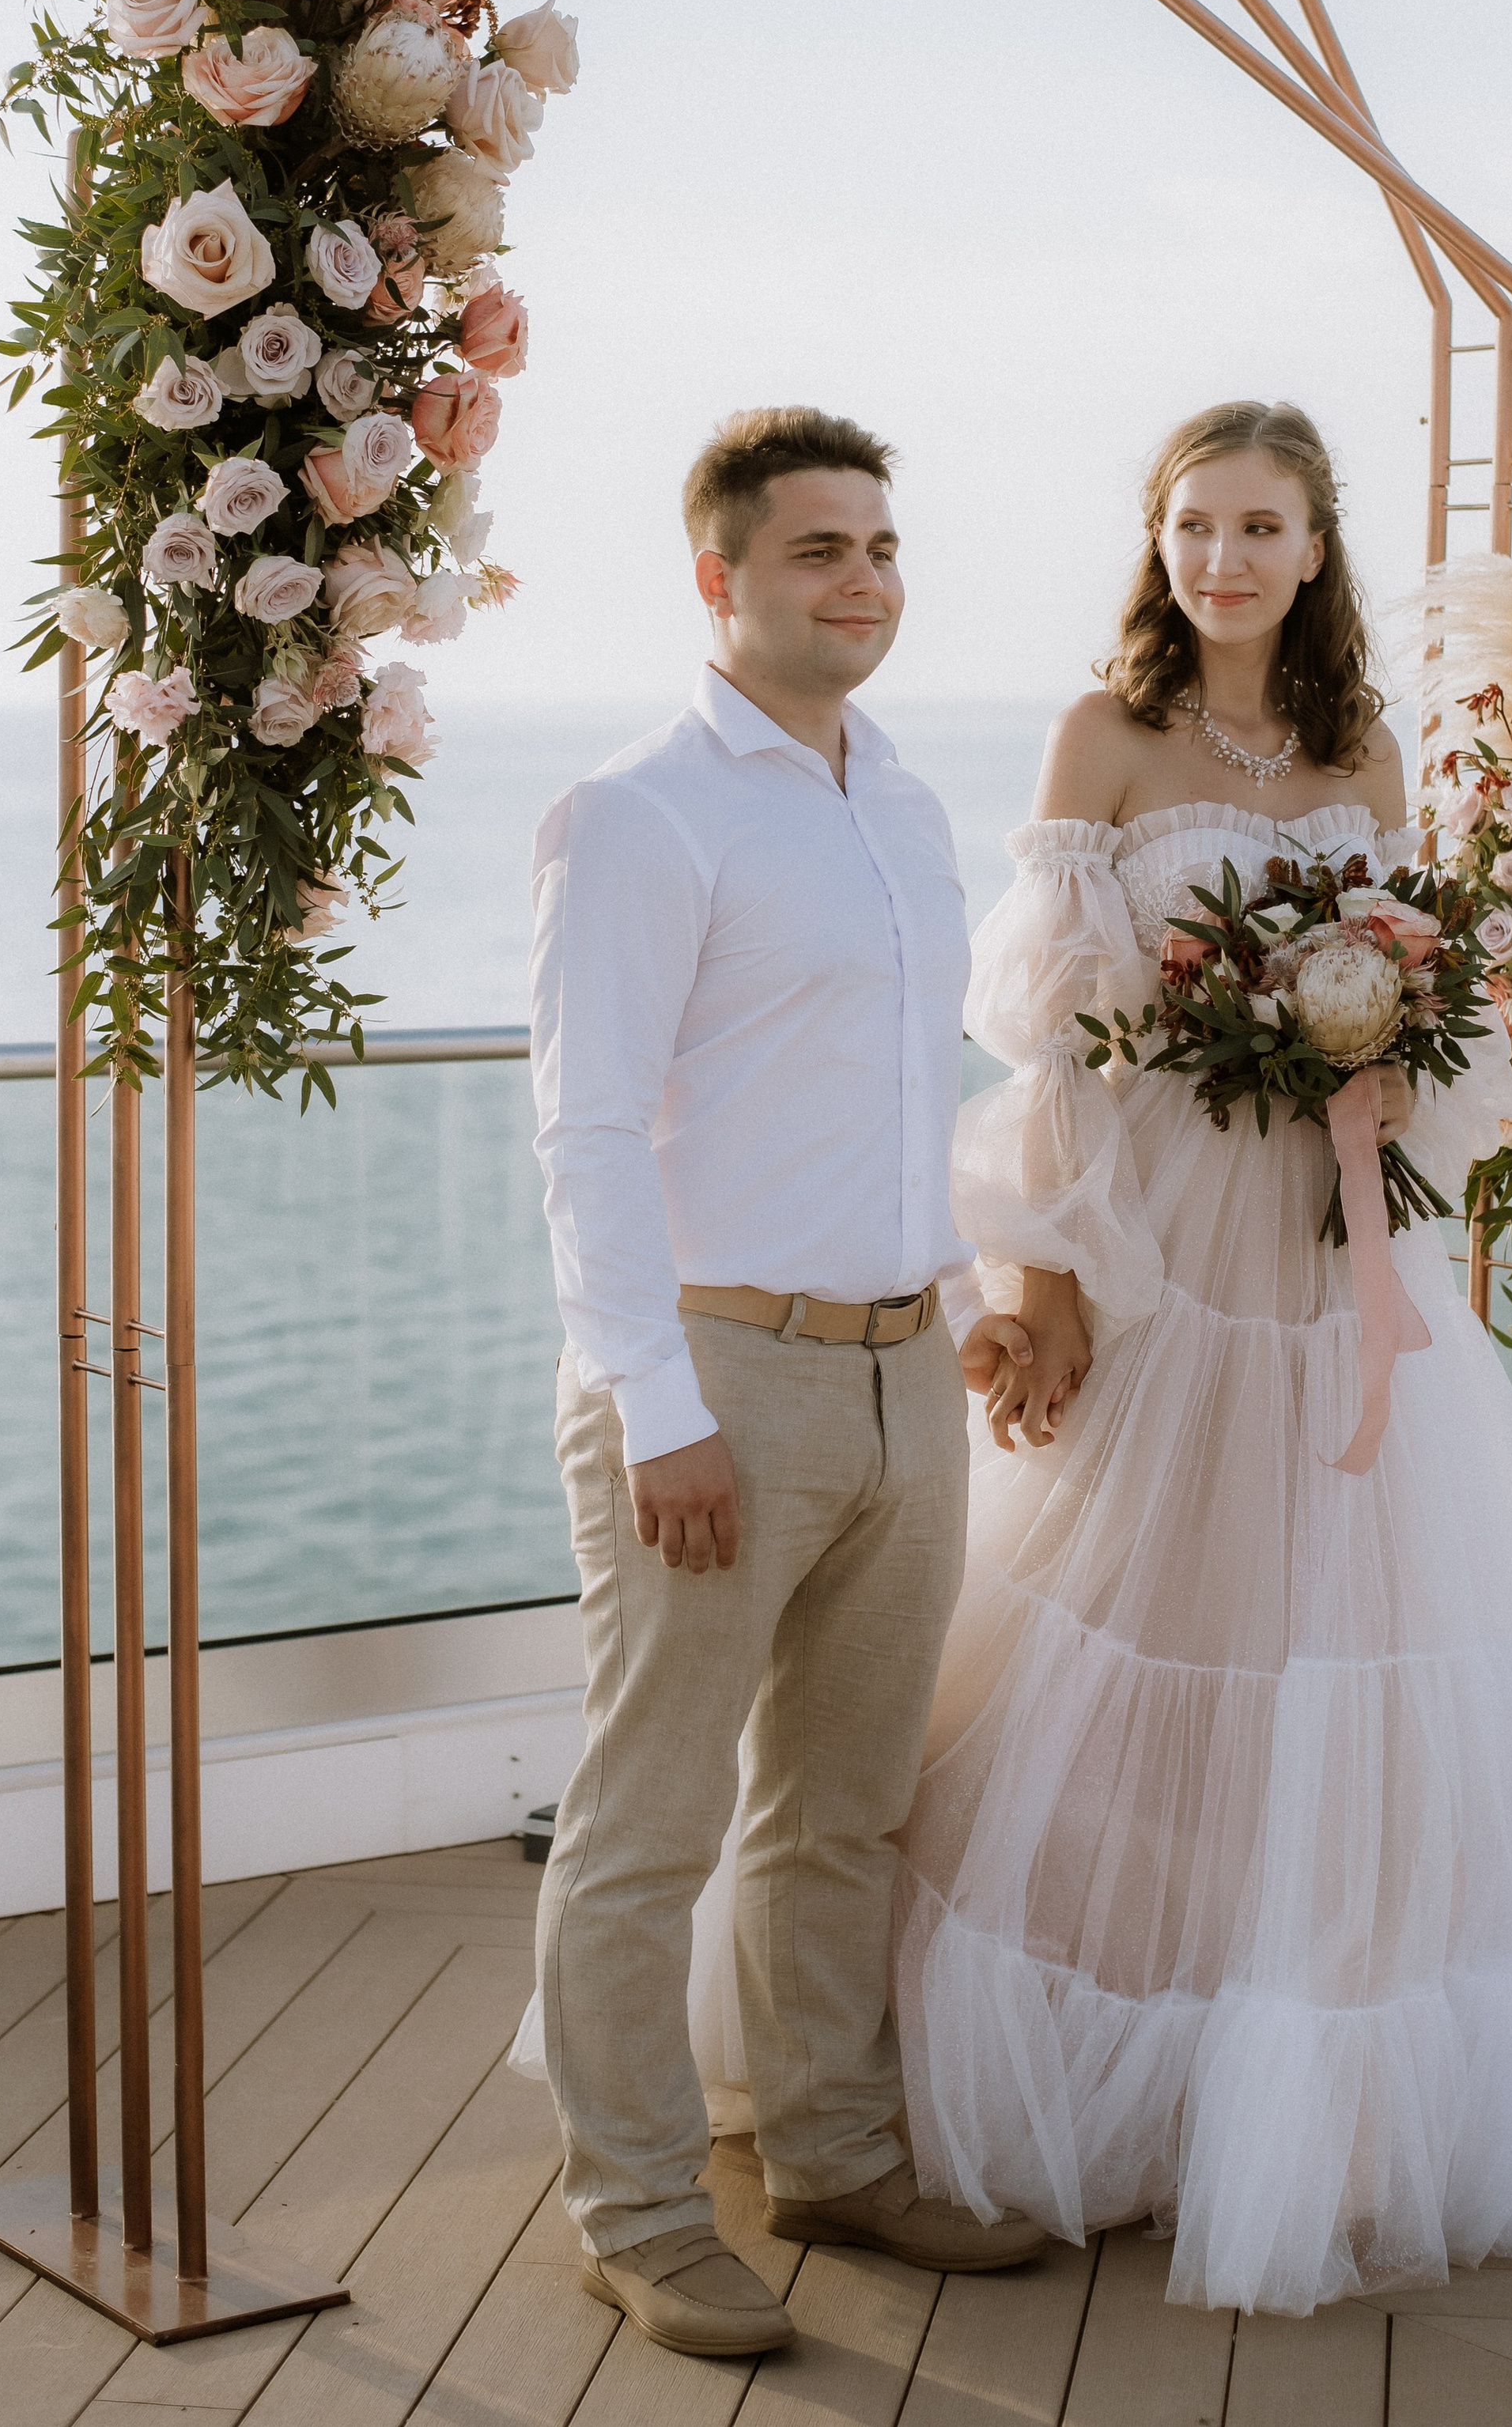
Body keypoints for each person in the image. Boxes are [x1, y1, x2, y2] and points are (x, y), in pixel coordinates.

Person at [890, 399, 1512, 2313]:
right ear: (1157, 545)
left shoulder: (1364, 748)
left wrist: (1369, 1048)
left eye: (1258, 525)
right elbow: (1047, 1048)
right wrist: (1039, 1281)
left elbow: (1417, 1003)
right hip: (1158, 1260)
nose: (1220, 557)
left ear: (1315, 552)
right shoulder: (1102, 739)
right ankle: (1104, 2066)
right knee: (1136, 1618)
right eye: (1192, 524)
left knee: (1336, 1629)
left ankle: (1311, 2063)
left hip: (1328, 1255)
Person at [525, 405, 1046, 2364]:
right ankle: (641, 2210)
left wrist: (970, 1290)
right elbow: (579, 1131)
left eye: (881, 546)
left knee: (846, 1804)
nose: (862, 579)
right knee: (648, 1819)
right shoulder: (642, 809)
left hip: (907, 1373)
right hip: (718, 1375)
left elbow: (909, 1096)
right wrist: (654, 1402)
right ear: (717, 578)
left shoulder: (901, 803)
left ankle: (827, 2151)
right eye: (819, 548)